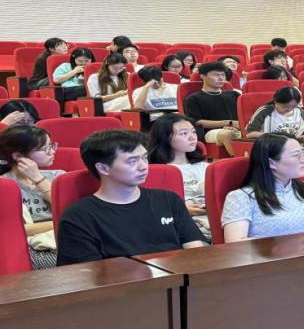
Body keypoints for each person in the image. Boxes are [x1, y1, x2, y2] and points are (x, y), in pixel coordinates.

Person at [56, 130, 205, 264]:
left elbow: (196, 253)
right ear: (103, 168)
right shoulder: (78, 217)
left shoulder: (169, 200)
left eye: (144, 158)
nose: (143, 166)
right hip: (121, 284)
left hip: (179, 280)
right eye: (132, 161)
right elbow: (87, 275)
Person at [222, 133, 304, 242]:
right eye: (296, 155)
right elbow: (235, 244)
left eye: (303, 154)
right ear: (271, 163)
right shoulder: (241, 197)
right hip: (267, 263)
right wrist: (285, 247)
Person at [0, 125, 63, 267]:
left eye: (52, 146)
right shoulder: (4, 186)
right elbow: (13, 230)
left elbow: (69, 211)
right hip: (30, 246)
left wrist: (38, 179)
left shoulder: (58, 176)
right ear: (18, 156)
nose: (52, 151)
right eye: (45, 149)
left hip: (62, 237)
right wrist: (57, 223)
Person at [147, 114, 211, 236]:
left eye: (193, 132)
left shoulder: (206, 167)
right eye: (184, 133)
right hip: (179, 225)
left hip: (212, 219)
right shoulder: (157, 172)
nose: (192, 137)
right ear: (165, 138)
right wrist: (182, 210)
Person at [184, 62, 241, 156]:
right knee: (227, 134)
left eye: (223, 75)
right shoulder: (193, 98)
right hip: (209, 131)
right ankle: (240, 161)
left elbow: (242, 116)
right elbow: (196, 122)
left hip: (235, 128)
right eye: (216, 75)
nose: (221, 78)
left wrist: (235, 126)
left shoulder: (234, 95)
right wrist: (228, 123)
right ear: (203, 76)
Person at [245, 87, 304, 153]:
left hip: (293, 148)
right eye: (285, 106)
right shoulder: (265, 112)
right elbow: (250, 134)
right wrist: (275, 136)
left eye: (293, 106)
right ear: (275, 101)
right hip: (269, 148)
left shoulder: (302, 114)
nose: (289, 109)